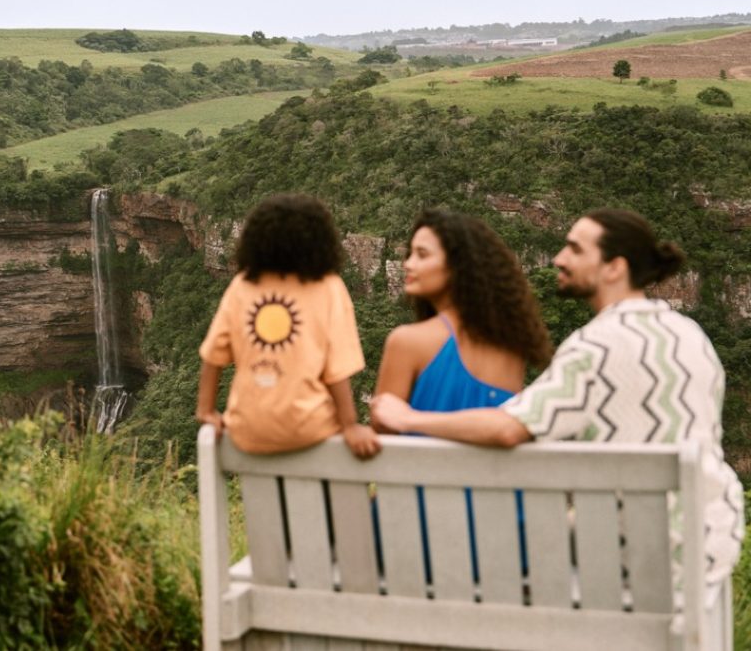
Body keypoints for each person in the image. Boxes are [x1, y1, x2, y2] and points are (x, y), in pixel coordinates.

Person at [371, 208, 745, 593]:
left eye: (574, 250)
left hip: (630, 557)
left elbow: (507, 429)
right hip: (708, 540)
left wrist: (410, 418)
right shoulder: (691, 335)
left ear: (614, 267)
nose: (558, 259)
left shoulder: (593, 346)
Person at [195, 193, 380, 458]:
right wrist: (350, 426)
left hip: (247, 433)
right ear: (319, 242)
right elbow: (338, 369)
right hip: (311, 432)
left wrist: (206, 411)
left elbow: (212, 356)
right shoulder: (329, 287)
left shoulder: (243, 285)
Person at [373, 208, 553, 429]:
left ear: (456, 266)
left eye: (422, 254)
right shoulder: (511, 348)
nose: (408, 264)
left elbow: (384, 435)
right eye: (410, 254)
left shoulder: (407, 342)